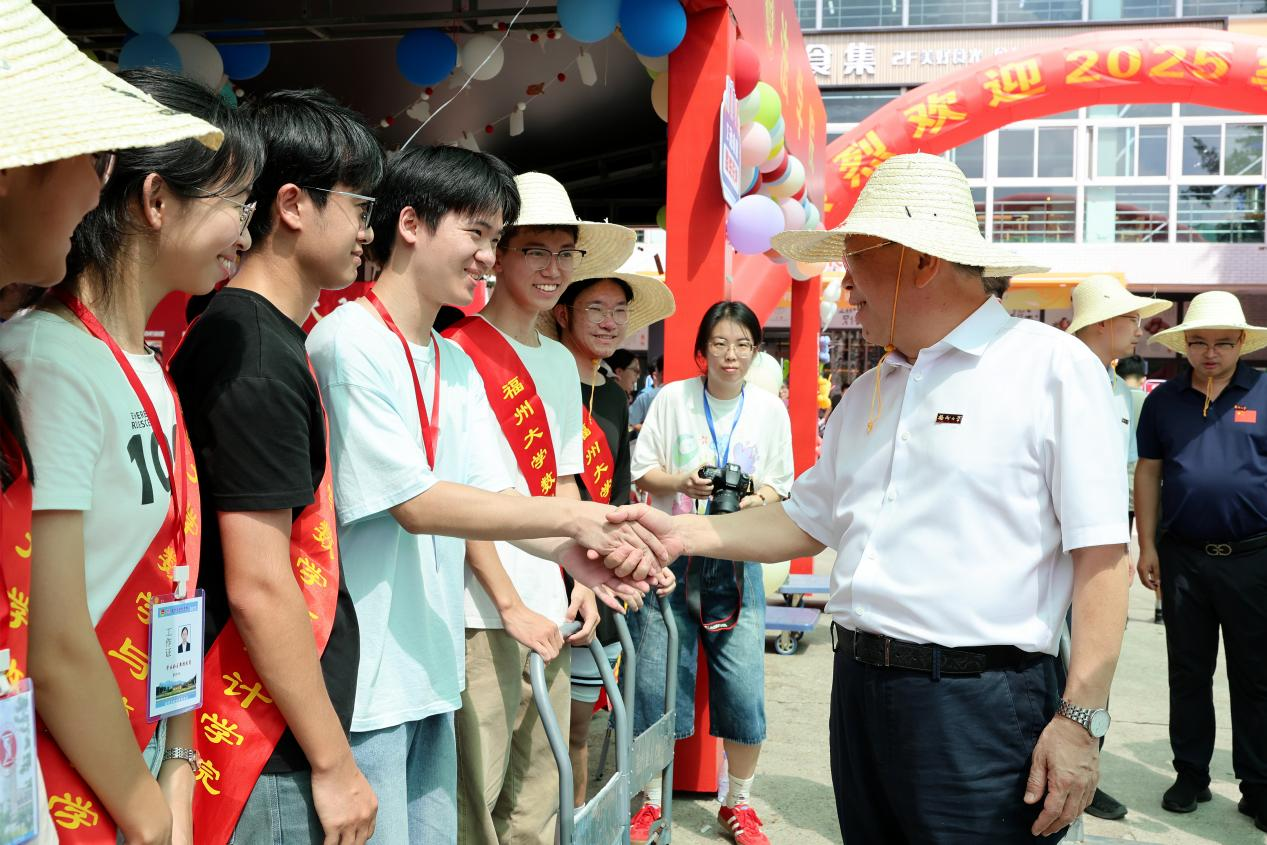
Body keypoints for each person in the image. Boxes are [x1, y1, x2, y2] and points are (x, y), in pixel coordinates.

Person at [612, 153, 1131, 844]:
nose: (845, 281)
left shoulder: (1049, 368)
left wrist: (1081, 719)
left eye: (855, 257)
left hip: (979, 707)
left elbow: (1102, 556)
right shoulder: (868, 392)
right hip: (859, 690)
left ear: (921, 261)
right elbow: (804, 518)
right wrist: (677, 534)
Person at [304, 147, 660, 844]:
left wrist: (583, 557)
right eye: (480, 234)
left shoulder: (447, 360)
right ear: (411, 224)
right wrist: (574, 521)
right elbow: (418, 503)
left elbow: (492, 491)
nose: (488, 257)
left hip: (430, 664)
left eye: (497, 238)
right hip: (371, 673)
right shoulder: (348, 343)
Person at [3, 67, 253, 844]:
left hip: (141, 749)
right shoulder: (46, 359)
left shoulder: (143, 363)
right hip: (70, 764)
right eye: (236, 202)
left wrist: (177, 758)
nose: (245, 236)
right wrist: (147, 808)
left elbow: (173, 584)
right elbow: (53, 637)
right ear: (155, 201)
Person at [169, 88, 383, 845]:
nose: (367, 230)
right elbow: (260, 582)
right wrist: (333, 763)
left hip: (275, 727)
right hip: (263, 743)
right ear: (292, 204)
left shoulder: (258, 333)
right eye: (360, 206)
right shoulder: (255, 356)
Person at [446, 171, 636, 845]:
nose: (553, 268)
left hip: (548, 609)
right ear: (498, 253)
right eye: (535, 250)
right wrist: (507, 604)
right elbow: (455, 501)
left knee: (535, 803)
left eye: (565, 253)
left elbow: (561, 488)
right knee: (475, 800)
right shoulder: (455, 353)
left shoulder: (558, 363)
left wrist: (578, 576)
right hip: (478, 614)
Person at [628, 300, 794, 845]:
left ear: (756, 352)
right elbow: (642, 471)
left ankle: (737, 803)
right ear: (701, 350)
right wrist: (681, 483)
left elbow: (781, 483)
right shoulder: (672, 398)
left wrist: (755, 499)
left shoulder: (769, 411)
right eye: (720, 343)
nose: (731, 355)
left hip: (737, 560)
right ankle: (650, 802)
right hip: (668, 561)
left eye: (743, 345)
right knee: (655, 684)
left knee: (743, 687)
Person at [1135, 291, 1267, 832]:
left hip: (1254, 558)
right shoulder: (1163, 401)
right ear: (1184, 344)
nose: (1210, 353)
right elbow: (1148, 471)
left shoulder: (1263, 392)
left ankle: (1259, 785)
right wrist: (1146, 544)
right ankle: (1190, 773)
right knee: (1188, 671)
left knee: (1256, 676)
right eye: (1199, 342)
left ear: (1241, 344)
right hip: (1183, 557)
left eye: (1222, 343)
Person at [545, 269, 676, 806]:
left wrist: (645, 559)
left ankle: (574, 826)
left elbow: (619, 499)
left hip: (597, 583)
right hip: (542, 574)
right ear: (563, 313)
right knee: (536, 737)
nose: (609, 321)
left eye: (619, 311)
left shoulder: (617, 399)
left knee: (577, 731)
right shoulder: (537, 382)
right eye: (596, 308)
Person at [1065, 275, 1172, 822]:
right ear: (1104, 322)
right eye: (1132, 319)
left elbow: (1121, 476)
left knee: (1095, 663)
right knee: (1052, 665)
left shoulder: (1118, 391)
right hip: (1054, 551)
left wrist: (1123, 547)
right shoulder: (1055, 375)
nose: (1139, 330)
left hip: (1101, 550)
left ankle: (1084, 767)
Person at [629, 355, 663, 437]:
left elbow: (631, 422)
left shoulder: (645, 396)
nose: (638, 376)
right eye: (636, 371)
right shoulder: (645, 395)